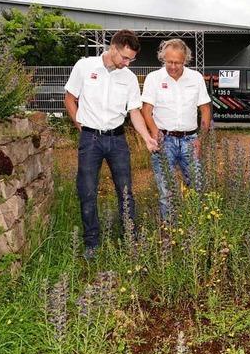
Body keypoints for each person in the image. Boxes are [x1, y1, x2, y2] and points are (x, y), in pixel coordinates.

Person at [64, 29, 158, 259]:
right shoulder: (85, 67)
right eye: (125, 57)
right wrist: (82, 126)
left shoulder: (128, 78)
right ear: (113, 48)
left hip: (117, 140)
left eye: (131, 59)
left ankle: (130, 239)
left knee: (125, 191)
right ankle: (91, 244)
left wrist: (146, 137)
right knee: (87, 191)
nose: (127, 63)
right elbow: (69, 97)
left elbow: (134, 111)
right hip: (90, 140)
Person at [141, 39, 211, 220]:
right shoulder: (153, 78)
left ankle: (196, 226)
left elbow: (205, 109)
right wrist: (156, 133)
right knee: (166, 192)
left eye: (177, 63)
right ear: (163, 58)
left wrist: (200, 139)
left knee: (197, 186)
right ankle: (169, 231)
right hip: (165, 140)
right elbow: (146, 111)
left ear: (185, 60)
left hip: (190, 140)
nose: (172, 66)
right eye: (169, 62)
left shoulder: (195, 78)